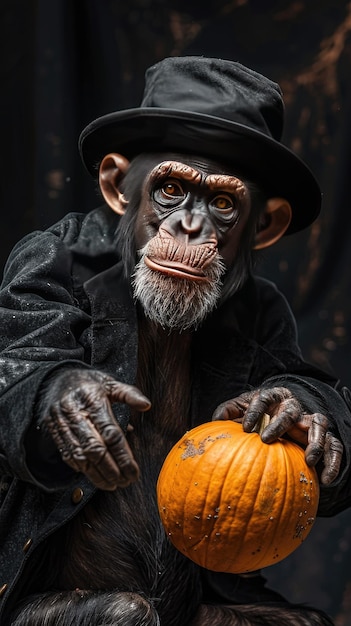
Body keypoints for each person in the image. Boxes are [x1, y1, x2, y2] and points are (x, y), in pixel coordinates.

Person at [0, 55, 350, 626]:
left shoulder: (257, 312)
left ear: (262, 227)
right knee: (123, 618)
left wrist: (310, 409)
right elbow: (14, 368)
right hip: (43, 591)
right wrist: (55, 391)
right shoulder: (58, 260)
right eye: (170, 191)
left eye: (220, 203)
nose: (189, 225)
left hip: (186, 595)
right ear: (119, 187)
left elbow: (315, 408)